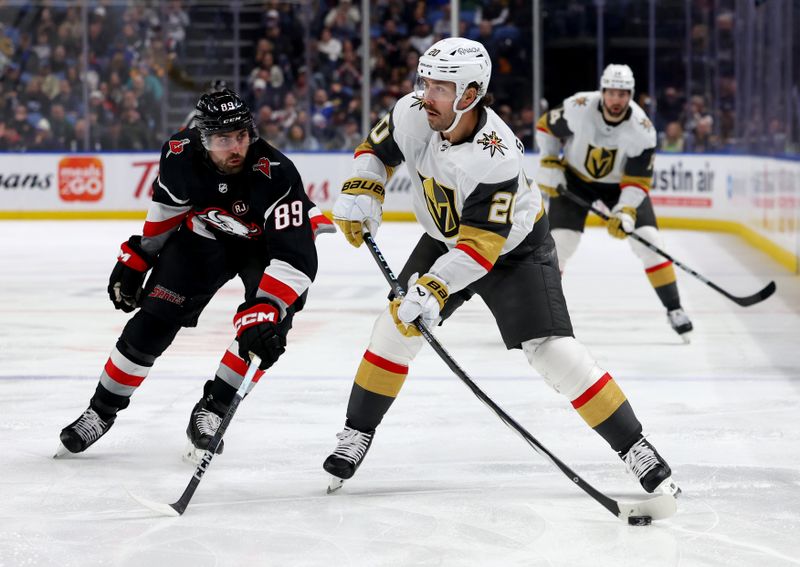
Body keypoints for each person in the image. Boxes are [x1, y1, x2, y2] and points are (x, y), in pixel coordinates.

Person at [323, 38, 681, 500]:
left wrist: (433, 289)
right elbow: (376, 150)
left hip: (514, 251)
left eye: (439, 86)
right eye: (424, 80)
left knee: (554, 352)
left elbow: (482, 248)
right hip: (447, 237)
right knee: (393, 329)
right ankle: (357, 433)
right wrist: (363, 189)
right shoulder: (414, 111)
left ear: (470, 95)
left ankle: (636, 446)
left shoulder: (495, 155)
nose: (424, 94)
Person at [55, 89, 334, 462]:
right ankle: (100, 412)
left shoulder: (277, 173)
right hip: (206, 236)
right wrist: (139, 256)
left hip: (265, 250)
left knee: (263, 333)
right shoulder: (179, 154)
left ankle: (212, 410)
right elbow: (168, 210)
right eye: (223, 139)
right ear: (203, 139)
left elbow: (295, 256)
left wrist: (266, 308)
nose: (236, 147)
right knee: (153, 320)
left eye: (242, 135)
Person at [535, 64, 693, 342]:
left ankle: (674, 308)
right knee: (560, 245)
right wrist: (549, 160)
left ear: (630, 95)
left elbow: (637, 182)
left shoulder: (643, 130)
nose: (616, 100)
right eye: (612, 93)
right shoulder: (578, 106)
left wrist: (626, 211)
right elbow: (545, 126)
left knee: (650, 242)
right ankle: (540, 316)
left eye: (623, 94)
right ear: (603, 91)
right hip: (575, 179)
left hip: (620, 186)